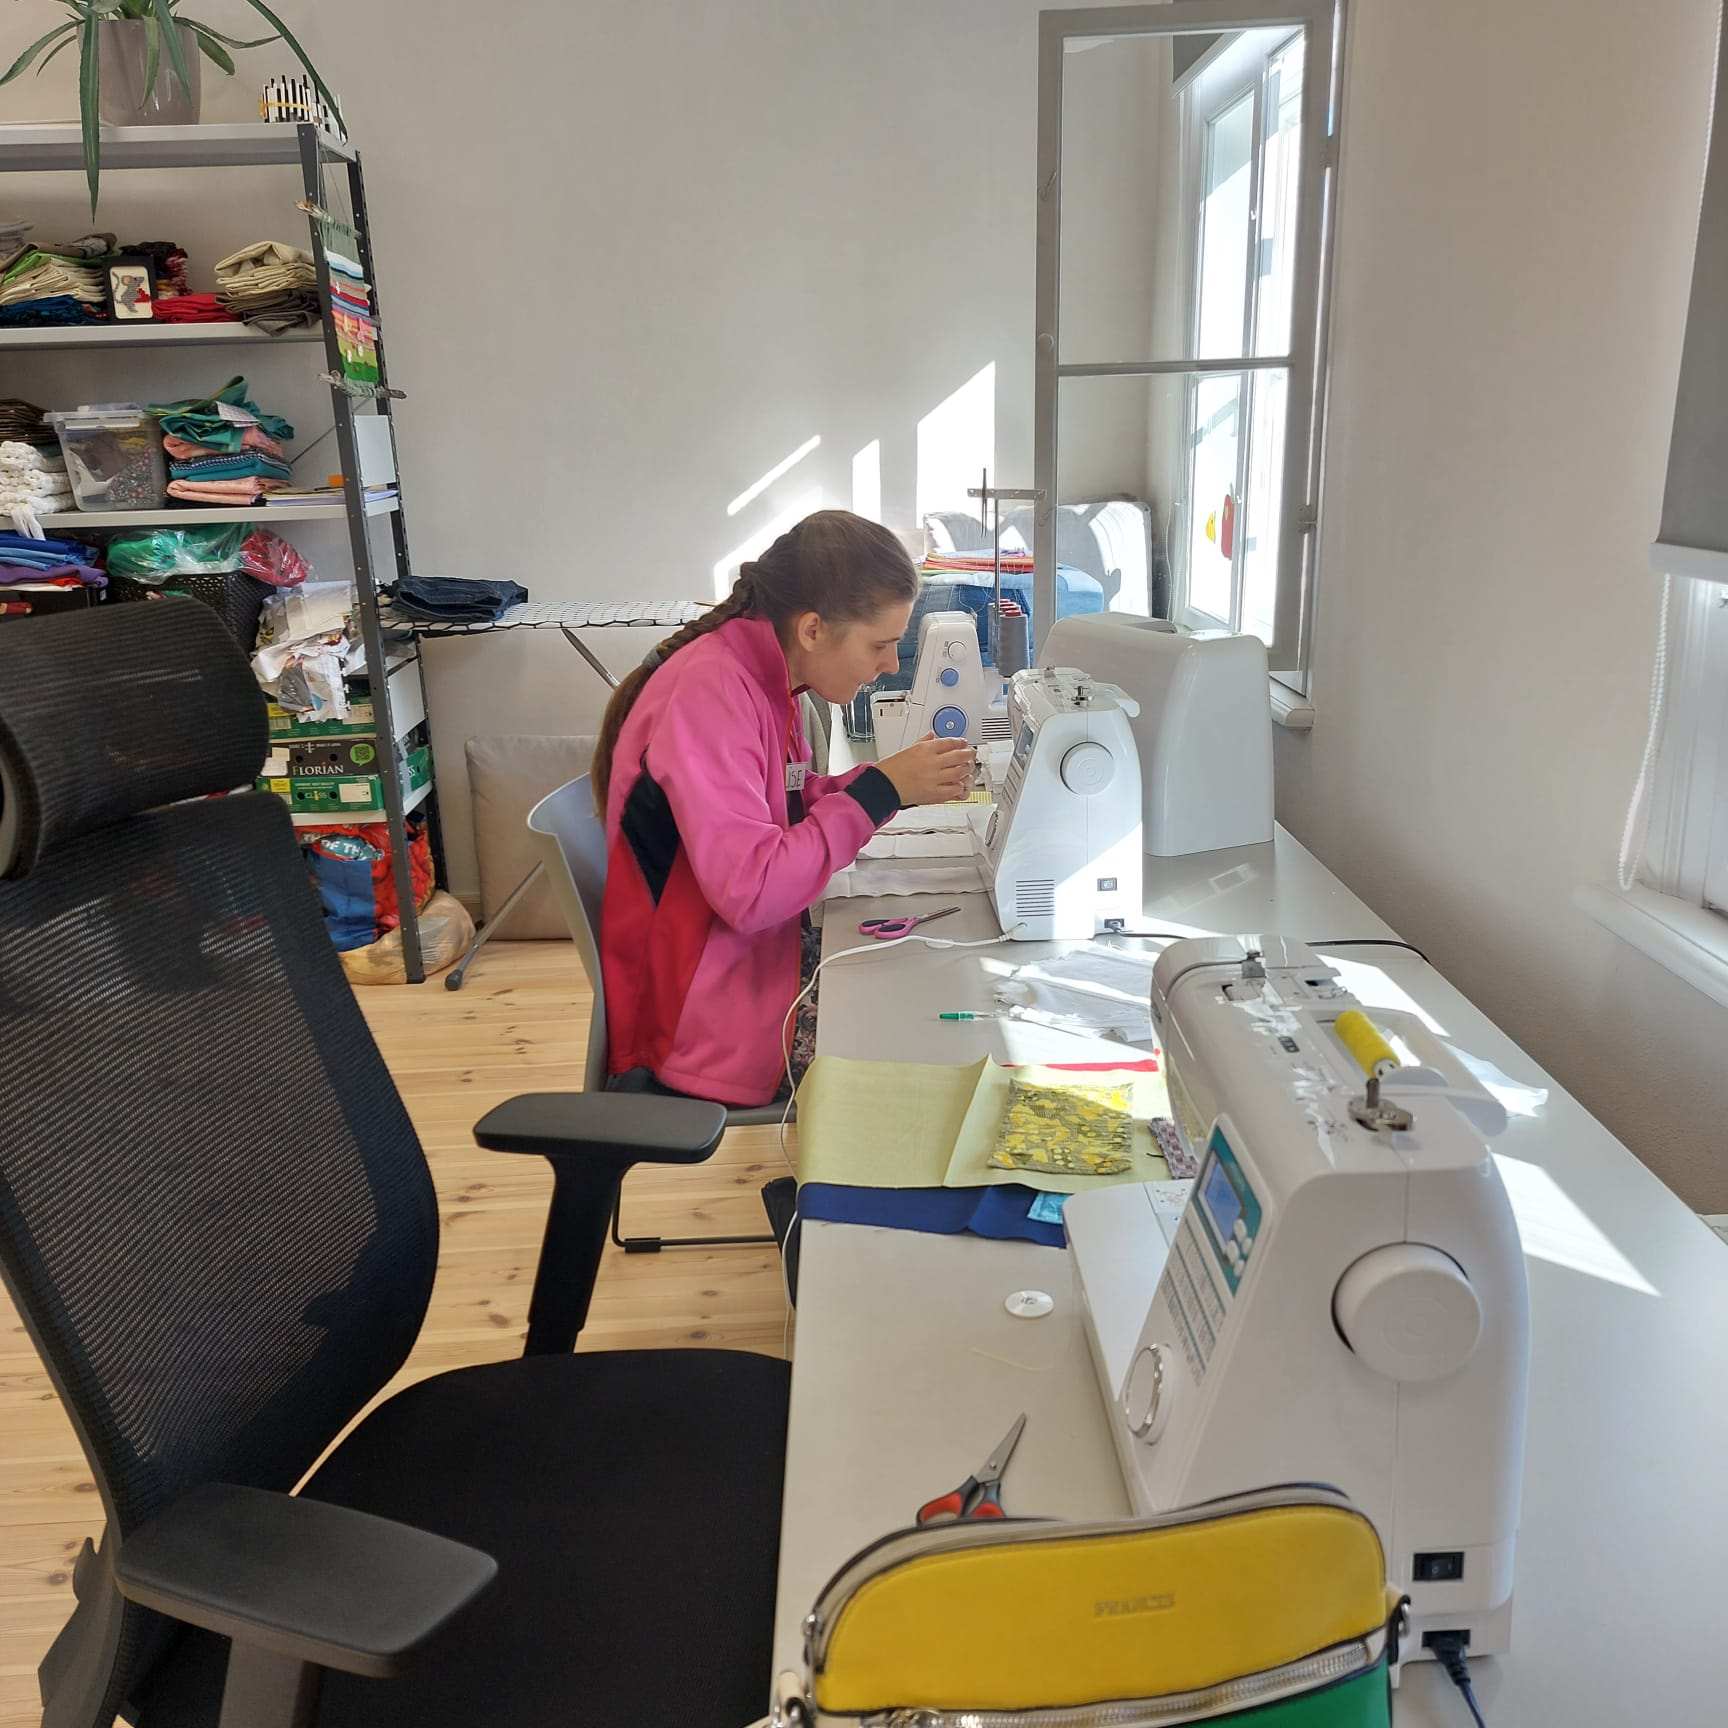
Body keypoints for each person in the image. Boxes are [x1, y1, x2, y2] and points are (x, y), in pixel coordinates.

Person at [591, 509, 974, 1106]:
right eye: (880, 644)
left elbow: (778, 809)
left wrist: (885, 785)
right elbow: (754, 889)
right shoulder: (711, 692)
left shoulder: (766, 678)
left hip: (741, 971)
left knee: (927, 986)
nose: (890, 665)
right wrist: (879, 792)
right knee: (921, 1049)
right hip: (703, 1026)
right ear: (813, 629)